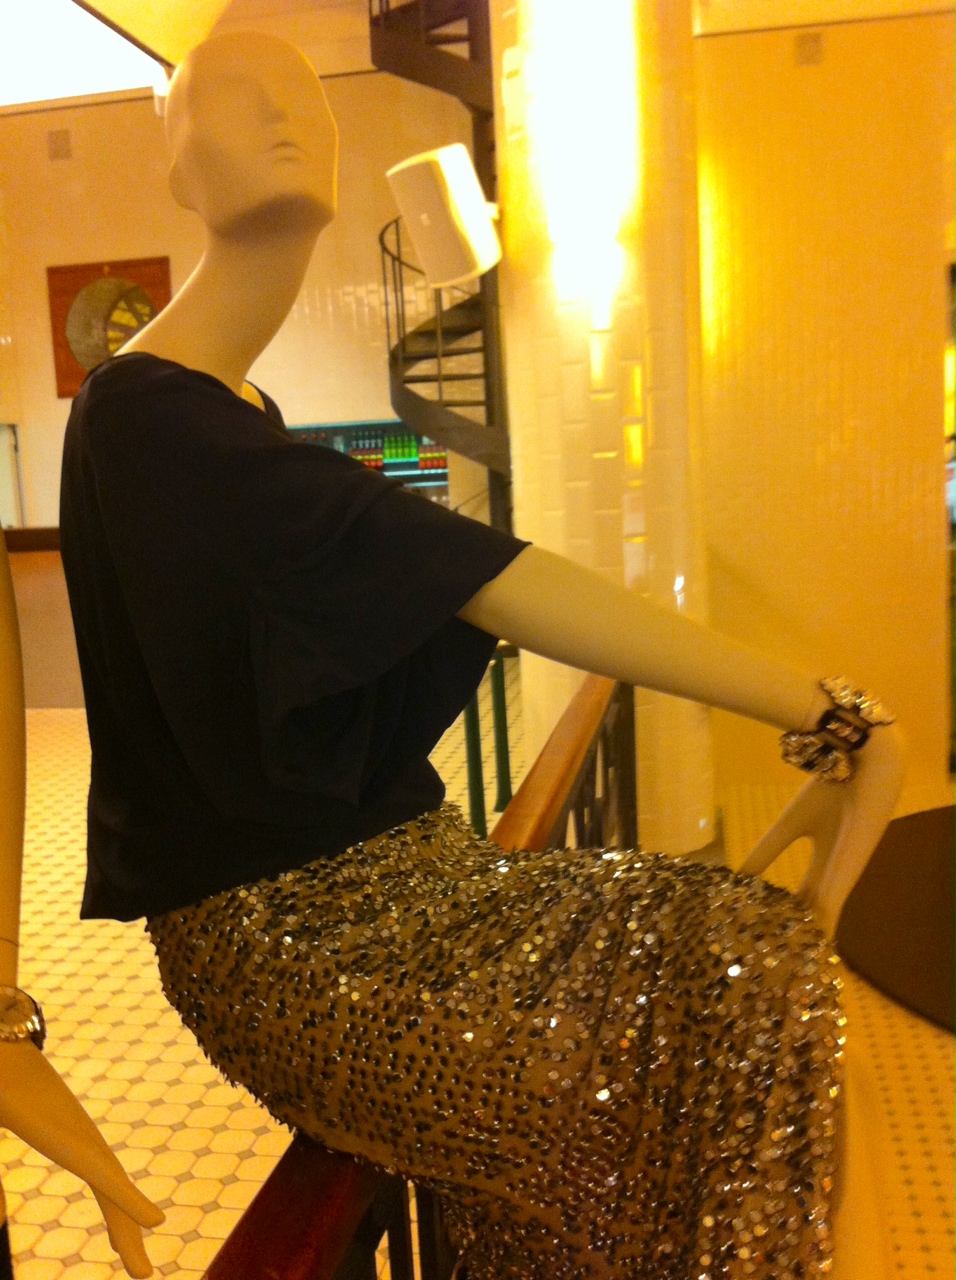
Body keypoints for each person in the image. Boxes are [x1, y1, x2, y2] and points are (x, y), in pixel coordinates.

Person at [8, 29, 905, 1280]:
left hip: (408, 875)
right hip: (292, 935)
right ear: (176, 167)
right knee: (740, 973)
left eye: (305, 97)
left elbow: (416, 583)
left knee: (729, 969)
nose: (287, 116)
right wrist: (819, 704)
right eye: (236, 97)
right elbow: (483, 577)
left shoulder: (235, 413)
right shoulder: (139, 411)